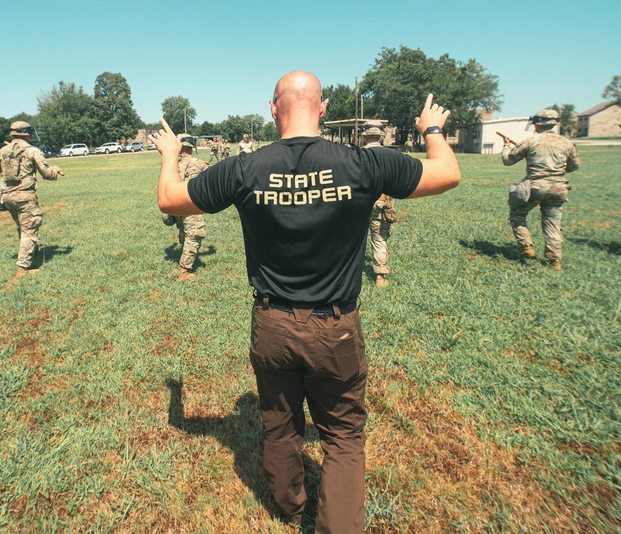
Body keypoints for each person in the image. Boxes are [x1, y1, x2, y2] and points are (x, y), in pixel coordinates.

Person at [150, 71, 460, 533]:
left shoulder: (245, 168)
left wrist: (171, 156)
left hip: (272, 324)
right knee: (343, 435)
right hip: (335, 326)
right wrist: (431, 130)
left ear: (273, 109)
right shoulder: (363, 163)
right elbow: (448, 173)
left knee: (279, 424)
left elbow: (170, 200)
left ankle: (289, 509)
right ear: (324, 107)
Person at [500, 109, 580, 271]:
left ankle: (526, 248)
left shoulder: (530, 141)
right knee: (553, 223)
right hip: (559, 188)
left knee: (518, 214)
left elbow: (508, 160)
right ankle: (554, 261)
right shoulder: (566, 143)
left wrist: (506, 146)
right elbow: (574, 165)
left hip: (535, 187)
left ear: (537, 124)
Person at [0, 121, 62, 278]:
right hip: (24, 197)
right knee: (29, 229)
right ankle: (22, 269)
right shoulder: (33, 151)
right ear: (26, 134)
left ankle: (32, 251)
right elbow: (47, 174)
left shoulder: (3, 151)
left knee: (21, 226)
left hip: (7, 197)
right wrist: (55, 170)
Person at [161, 134, 209, 280]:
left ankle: (183, 255)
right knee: (194, 235)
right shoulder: (199, 163)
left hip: (175, 204)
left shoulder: (171, 164)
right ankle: (185, 272)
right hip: (190, 204)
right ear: (192, 148)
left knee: (184, 230)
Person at [361, 127, 398, 287]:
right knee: (379, 239)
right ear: (381, 138)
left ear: (364, 138)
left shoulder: (357, 154)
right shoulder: (391, 156)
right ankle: (380, 278)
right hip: (380, 204)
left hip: (358, 203)